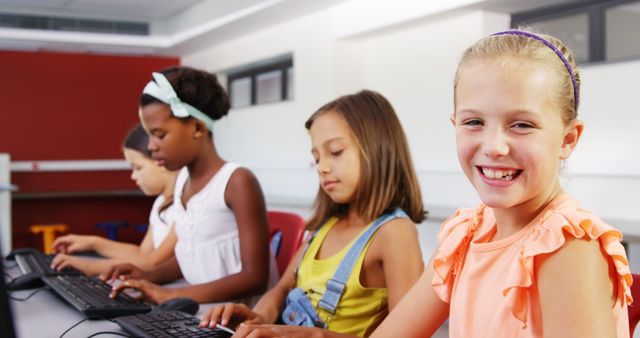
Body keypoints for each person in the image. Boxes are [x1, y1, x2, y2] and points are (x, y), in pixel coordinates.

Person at [369, 29, 633, 338]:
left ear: (567, 139)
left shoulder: (567, 248)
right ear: (456, 124)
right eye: (474, 122)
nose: (494, 146)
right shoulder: (465, 233)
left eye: (522, 124)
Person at [199, 90, 426, 337]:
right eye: (316, 158)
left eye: (336, 152)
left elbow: (409, 334)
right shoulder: (324, 226)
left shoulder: (394, 233)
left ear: (379, 148)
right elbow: (283, 287)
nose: (323, 168)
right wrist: (259, 317)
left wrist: (314, 335)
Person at [103, 66, 278, 306]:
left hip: (240, 322)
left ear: (197, 128)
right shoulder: (182, 183)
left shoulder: (237, 181)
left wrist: (172, 295)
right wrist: (148, 276)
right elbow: (193, 253)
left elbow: (254, 278)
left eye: (159, 135)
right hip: (201, 312)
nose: (152, 146)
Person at [50, 123, 179, 276]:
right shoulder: (161, 203)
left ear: (161, 161)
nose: (133, 176)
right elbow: (143, 254)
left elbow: (152, 263)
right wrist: (94, 243)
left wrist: (90, 267)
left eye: (138, 167)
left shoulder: (183, 204)